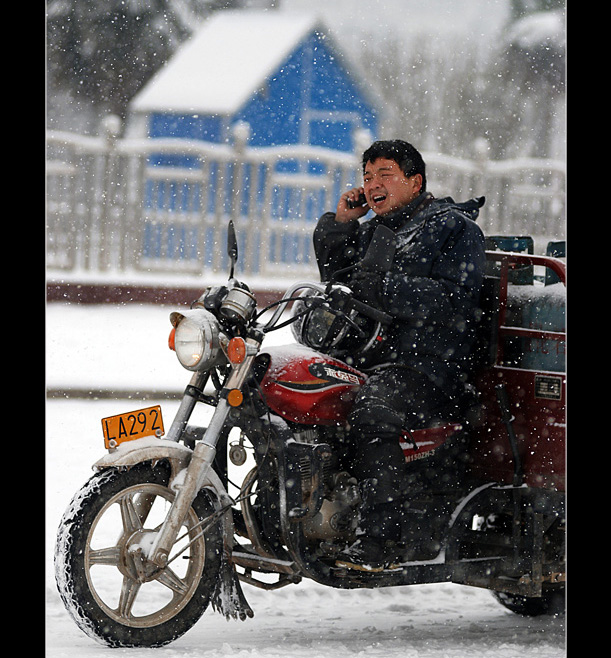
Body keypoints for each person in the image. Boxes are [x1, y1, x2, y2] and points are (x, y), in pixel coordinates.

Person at [313, 139, 487, 570]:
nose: (372, 185)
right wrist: (340, 224)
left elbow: (459, 302)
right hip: (371, 359)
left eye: (385, 174)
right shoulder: (376, 228)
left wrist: (388, 289)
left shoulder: (454, 228)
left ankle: (382, 542)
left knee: (372, 409)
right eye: (367, 177)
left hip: (432, 368)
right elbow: (341, 283)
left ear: (415, 182)